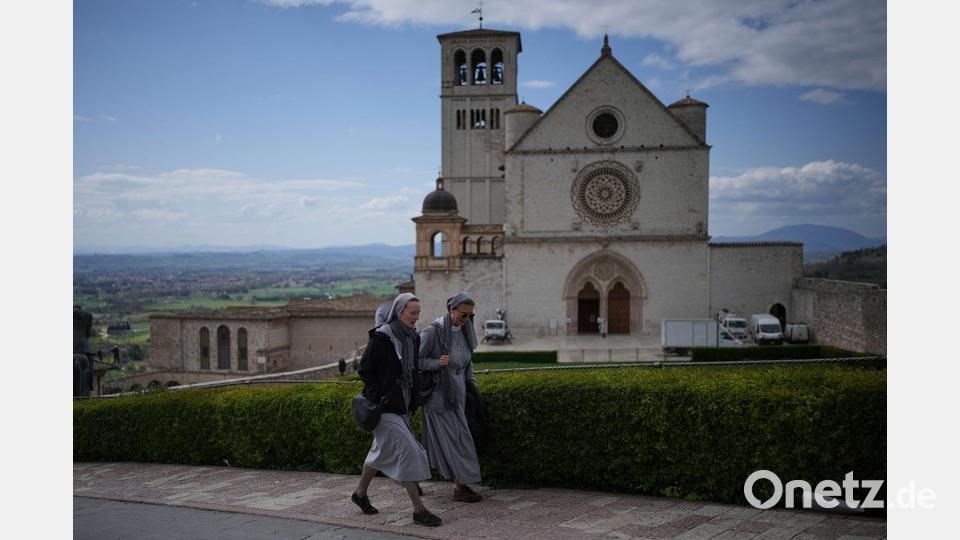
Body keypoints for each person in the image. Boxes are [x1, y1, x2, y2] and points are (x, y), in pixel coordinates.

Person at [351, 293, 442, 527]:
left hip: (401, 405)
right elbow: (365, 370)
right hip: (384, 408)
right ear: (400, 312)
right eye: (412, 313)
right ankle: (419, 510)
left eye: (418, 313)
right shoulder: (383, 337)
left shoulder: (412, 337)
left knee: (379, 451)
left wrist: (412, 400)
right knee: (409, 452)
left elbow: (412, 371)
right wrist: (380, 393)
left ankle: (360, 494)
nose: (416, 317)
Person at [418, 291, 483, 503]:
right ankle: (460, 486)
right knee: (455, 440)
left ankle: (413, 479)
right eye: (464, 315)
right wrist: (437, 363)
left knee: (457, 438)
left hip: (459, 394)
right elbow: (415, 361)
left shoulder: (464, 330)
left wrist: (472, 387)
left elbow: (467, 363)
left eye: (470, 316)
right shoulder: (432, 332)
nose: (467, 319)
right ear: (452, 310)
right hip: (439, 398)